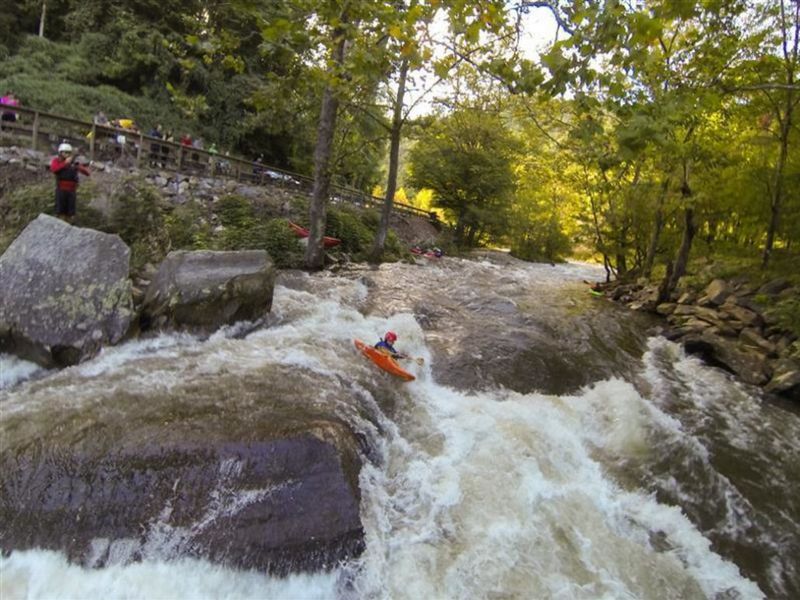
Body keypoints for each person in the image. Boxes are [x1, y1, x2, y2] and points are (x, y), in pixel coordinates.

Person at [50, 142, 90, 224]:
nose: (67, 154)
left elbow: (87, 173)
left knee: (71, 213)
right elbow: (54, 169)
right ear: (60, 153)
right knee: (60, 212)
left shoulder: (74, 163)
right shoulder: (56, 161)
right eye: (65, 152)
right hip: (61, 190)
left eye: (68, 153)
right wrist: (65, 163)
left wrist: (78, 166)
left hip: (71, 191)